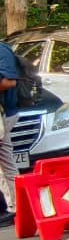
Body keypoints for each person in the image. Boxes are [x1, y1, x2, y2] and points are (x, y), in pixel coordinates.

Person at [0, 41, 22, 228]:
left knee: (5, 165)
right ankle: (16, 206)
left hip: (5, 112)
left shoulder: (2, 50)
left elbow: (10, 81)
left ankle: (16, 207)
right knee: (6, 162)